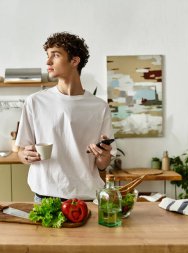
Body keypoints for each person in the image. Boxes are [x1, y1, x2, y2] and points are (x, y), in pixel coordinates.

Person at [15, 32, 116, 202]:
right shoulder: (35, 102)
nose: (48, 62)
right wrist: (25, 156)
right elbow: (20, 151)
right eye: (48, 56)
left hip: (85, 199)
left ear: (74, 61)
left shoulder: (99, 107)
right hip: (45, 198)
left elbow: (102, 164)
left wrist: (103, 158)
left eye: (55, 55)